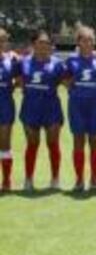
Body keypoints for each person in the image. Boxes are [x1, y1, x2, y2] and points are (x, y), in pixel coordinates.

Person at [18, 30, 65, 191]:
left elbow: (64, 81)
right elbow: (19, 81)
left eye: (47, 43)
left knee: (53, 144)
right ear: (33, 44)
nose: (43, 45)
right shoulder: (23, 62)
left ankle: (55, 179)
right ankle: (28, 179)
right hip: (30, 108)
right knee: (32, 144)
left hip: (51, 108)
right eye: (40, 42)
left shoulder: (58, 64)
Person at [63, 26, 96, 192]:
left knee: (95, 141)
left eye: (91, 40)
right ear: (78, 42)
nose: (88, 43)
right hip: (77, 105)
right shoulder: (71, 61)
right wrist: (72, 87)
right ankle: (79, 180)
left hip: (95, 104)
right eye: (84, 39)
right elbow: (64, 79)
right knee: (78, 140)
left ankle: (94, 180)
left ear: (94, 42)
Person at [0, 29, 21, 191]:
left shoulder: (12, 60)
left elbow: (19, 82)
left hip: (5, 105)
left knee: (5, 143)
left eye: (2, 40)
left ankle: (6, 180)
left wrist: (9, 88)